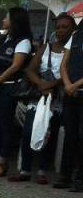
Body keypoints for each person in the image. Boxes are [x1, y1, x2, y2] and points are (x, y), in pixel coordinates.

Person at [14, 13, 74, 183]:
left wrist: (52, 85)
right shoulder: (46, 47)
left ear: (72, 30)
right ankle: (25, 169)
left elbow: (70, 73)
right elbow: (30, 70)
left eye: (65, 27)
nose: (61, 30)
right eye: (58, 27)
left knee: (49, 133)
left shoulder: (72, 52)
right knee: (29, 131)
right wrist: (41, 84)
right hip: (40, 95)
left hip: (58, 96)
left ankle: (42, 170)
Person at [0, 7, 32, 177]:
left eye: (7, 17)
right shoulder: (2, 38)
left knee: (4, 125)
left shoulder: (23, 41)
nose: (4, 20)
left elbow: (16, 66)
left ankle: (3, 161)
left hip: (8, 87)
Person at [60, 18, 83, 191]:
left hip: (78, 89)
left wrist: (75, 85)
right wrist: (68, 84)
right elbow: (64, 64)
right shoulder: (76, 36)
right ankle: (65, 175)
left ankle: (80, 177)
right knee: (70, 135)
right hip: (71, 93)